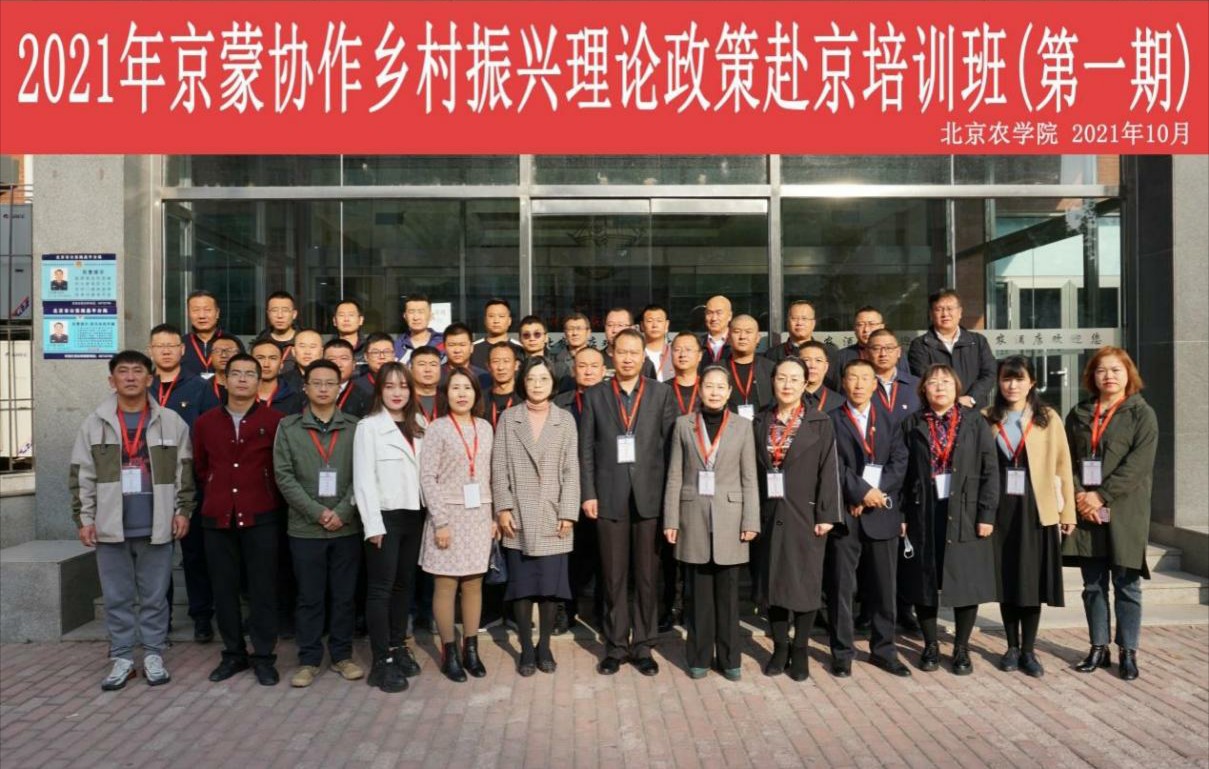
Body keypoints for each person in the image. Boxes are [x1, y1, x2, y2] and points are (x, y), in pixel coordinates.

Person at [69, 350, 194, 690]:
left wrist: (183, 511)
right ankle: (122, 657)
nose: (130, 377)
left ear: (149, 379)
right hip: (111, 526)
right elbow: (81, 475)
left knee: (155, 596)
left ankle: (153, 653)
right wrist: (85, 518)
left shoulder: (171, 422)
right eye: (122, 372)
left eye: (137, 371)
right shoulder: (94, 424)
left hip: (157, 524)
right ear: (111, 380)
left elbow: (185, 473)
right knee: (116, 597)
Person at [579, 328, 678, 676]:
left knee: (648, 577)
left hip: (650, 496)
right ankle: (616, 645)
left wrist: (670, 500)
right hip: (608, 495)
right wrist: (588, 492)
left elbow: (671, 450)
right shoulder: (595, 395)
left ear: (642, 356)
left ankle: (644, 646)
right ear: (611, 353)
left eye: (634, 353)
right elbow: (586, 449)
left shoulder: (661, 394)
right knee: (613, 576)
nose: (627, 359)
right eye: (621, 352)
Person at [1063, 346, 1158, 681]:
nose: (1109, 376)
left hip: (1125, 510)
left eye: (1116, 370)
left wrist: (1100, 496)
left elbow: (1138, 466)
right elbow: (1067, 458)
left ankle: (1128, 651)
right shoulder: (1079, 413)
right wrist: (1080, 494)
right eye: (1102, 370)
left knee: (1127, 584)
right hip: (1086, 511)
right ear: (1092, 376)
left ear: (1128, 374)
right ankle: (1098, 648)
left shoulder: (1141, 413)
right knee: (1092, 584)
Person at [192, 353, 285, 686]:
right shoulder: (205, 423)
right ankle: (233, 653)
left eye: (249, 374)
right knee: (224, 589)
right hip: (218, 517)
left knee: (263, 589)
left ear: (259, 381)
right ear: (224, 380)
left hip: (262, 515)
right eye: (236, 373)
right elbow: (201, 467)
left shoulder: (276, 420)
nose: (243, 379)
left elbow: (281, 467)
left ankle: (264, 656)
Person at [900, 364, 999, 675]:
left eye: (946, 381)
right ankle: (930, 644)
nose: (940, 387)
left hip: (966, 510)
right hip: (924, 509)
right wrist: (902, 514)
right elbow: (902, 472)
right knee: (924, 580)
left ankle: (961, 647)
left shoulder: (975, 421)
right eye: (933, 382)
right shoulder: (912, 423)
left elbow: (990, 469)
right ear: (923, 389)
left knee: (965, 580)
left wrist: (986, 513)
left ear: (957, 388)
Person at [663, 366, 760, 680]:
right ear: (700, 389)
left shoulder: (743, 427)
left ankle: (730, 659)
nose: (714, 392)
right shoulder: (683, 425)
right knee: (698, 597)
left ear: (729, 392)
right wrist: (671, 519)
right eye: (709, 386)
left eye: (721, 387)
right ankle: (699, 657)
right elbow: (675, 474)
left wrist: (751, 519)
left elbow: (749, 477)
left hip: (731, 517)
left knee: (728, 598)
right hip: (693, 516)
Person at [982, 356, 1076, 678]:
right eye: (1006, 379)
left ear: (1032, 382)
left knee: (1030, 580)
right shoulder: (986, 417)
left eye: (1019, 379)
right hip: (1000, 508)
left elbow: (1063, 464)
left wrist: (1067, 511)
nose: (1012, 385)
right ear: (998, 382)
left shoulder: (1047, 417)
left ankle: (1029, 650)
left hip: (1037, 507)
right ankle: (1011, 647)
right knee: (1007, 579)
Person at [273, 359, 364, 688]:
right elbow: (284, 476)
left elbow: (363, 475)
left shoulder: (356, 427)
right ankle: (309, 659)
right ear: (305, 388)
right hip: (305, 529)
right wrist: (317, 512)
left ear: (339, 388)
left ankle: (342, 656)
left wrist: (342, 512)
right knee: (309, 597)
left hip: (346, 526)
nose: (323, 389)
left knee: (344, 596)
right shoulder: (289, 427)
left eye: (330, 383)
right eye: (317, 383)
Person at [752, 357, 841, 681]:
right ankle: (780, 647)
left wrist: (827, 514)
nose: (787, 385)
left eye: (794, 379)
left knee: (805, 584)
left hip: (806, 514)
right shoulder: (759, 420)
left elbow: (829, 469)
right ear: (772, 381)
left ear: (805, 384)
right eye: (781, 378)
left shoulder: (819, 421)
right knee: (773, 584)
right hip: (769, 513)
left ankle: (800, 649)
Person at [492, 357, 581, 675]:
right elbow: (499, 465)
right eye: (531, 379)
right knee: (522, 586)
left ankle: (544, 646)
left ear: (553, 383)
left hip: (553, 514)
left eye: (544, 379)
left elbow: (571, 469)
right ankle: (526, 649)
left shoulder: (565, 419)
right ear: (523, 382)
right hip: (518, 514)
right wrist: (503, 507)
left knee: (549, 588)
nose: (537, 384)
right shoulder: (509, 418)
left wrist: (568, 512)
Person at [826, 359, 911, 678]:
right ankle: (842, 652)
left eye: (865, 378)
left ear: (876, 384)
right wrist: (860, 492)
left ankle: (884, 649)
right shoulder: (830, 420)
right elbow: (832, 464)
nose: (859, 384)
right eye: (853, 377)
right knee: (841, 587)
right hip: (846, 515)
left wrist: (874, 493)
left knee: (884, 587)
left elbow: (900, 463)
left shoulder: (891, 420)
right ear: (843, 383)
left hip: (882, 513)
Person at [418, 368, 497, 682]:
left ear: (476, 393)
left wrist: (493, 516)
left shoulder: (485, 428)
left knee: (474, 584)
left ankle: (471, 649)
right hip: (447, 516)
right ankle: (449, 651)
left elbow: (490, 474)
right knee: (446, 585)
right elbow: (428, 477)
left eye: (467, 388)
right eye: (455, 388)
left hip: (479, 515)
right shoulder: (437, 428)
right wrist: (440, 521)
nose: (462, 394)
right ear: (445, 394)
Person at [353, 362, 427, 692]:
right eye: (389, 386)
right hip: (384, 518)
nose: (397, 393)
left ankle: (398, 647)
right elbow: (363, 479)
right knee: (380, 590)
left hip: (414, 514)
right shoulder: (368, 427)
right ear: (379, 390)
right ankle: (381, 660)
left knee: (403, 587)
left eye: (403, 386)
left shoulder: (420, 423)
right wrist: (373, 525)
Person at [147, 323, 219, 642]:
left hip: (191, 480)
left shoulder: (199, 387)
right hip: (151, 483)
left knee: (195, 554)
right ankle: (160, 619)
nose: (165, 350)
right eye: (159, 345)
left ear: (182, 349)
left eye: (171, 345)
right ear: (151, 350)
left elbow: (210, 433)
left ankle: (202, 617)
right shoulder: (143, 386)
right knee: (156, 554)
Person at [863, 326, 921, 634]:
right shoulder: (861, 384)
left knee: (907, 544)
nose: (882, 353)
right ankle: (870, 609)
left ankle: (905, 607)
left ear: (899, 352)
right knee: (873, 547)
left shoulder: (915, 386)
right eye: (876, 348)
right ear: (866, 352)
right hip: (873, 476)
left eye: (888, 348)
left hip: (911, 474)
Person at [552, 346, 605, 634]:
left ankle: (601, 611)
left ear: (603, 370)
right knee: (568, 555)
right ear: (573, 370)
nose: (587, 371)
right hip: (567, 489)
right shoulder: (560, 404)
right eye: (582, 366)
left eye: (594, 366)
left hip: (603, 488)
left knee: (604, 555)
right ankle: (566, 611)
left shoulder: (612, 401)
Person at [907, 289, 998, 408]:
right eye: (939, 309)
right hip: (937, 411)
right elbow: (922, 378)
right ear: (931, 314)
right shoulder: (920, 345)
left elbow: (989, 373)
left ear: (960, 312)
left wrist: (971, 398)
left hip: (972, 410)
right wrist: (949, 403)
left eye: (950, 309)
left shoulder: (977, 342)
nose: (945, 314)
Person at [830, 306, 906, 390]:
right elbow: (836, 390)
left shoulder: (895, 353)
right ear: (854, 328)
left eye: (871, 324)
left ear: (882, 326)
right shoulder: (841, 357)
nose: (866, 329)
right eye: (860, 325)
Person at [726, 314, 775, 418]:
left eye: (748, 332)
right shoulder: (718, 370)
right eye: (737, 331)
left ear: (757, 338)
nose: (742, 337)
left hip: (763, 425)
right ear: (728, 337)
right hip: (727, 426)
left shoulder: (771, 369)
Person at [766, 300, 837, 363]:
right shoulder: (772, 355)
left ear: (813, 323)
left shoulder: (829, 353)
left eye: (804, 318)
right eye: (794, 318)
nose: (799, 323)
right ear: (787, 323)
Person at [181, 289, 227, 378]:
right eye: (195, 310)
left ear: (217, 313)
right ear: (188, 314)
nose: (202, 316)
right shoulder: (180, 344)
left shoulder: (232, 342)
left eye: (207, 310)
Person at [251, 338, 302, 414]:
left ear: (281, 364)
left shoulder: (294, 399)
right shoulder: (239, 395)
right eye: (260, 358)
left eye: (273, 358)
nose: (266, 364)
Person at [323, 339, 371, 418]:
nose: (338, 364)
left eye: (344, 358)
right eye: (332, 359)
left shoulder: (365, 397)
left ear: (353, 364)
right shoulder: (310, 392)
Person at [471, 298, 523, 369]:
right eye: (491, 316)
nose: (496, 321)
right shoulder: (472, 349)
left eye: (501, 316)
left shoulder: (520, 349)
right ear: (485, 320)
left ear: (509, 321)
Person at [395, 294, 445, 364]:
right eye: (411, 312)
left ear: (430, 316)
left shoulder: (443, 342)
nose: (416, 317)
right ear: (405, 316)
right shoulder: (397, 345)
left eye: (421, 312)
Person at [441, 322, 492, 390]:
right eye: (452, 345)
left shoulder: (483, 377)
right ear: (444, 347)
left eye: (462, 345)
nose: (457, 350)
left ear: (471, 347)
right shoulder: (436, 376)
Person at [252, 291, 299, 363]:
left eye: (285, 310)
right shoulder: (259, 343)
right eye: (274, 310)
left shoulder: (305, 341)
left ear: (294, 314)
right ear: (268, 314)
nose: (280, 315)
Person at [553, 313, 594, 392]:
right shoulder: (554, 362)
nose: (575, 333)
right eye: (570, 329)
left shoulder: (598, 359)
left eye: (579, 329)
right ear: (565, 333)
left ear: (588, 332)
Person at [486, 342, 522, 429]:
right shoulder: (480, 400)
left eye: (506, 361)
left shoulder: (525, 399)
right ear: (488, 366)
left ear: (516, 365)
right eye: (496, 361)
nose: (501, 367)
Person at [800, 341, 843, 414]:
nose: (812, 365)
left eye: (818, 360)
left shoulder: (839, 402)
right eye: (806, 360)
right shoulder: (785, 398)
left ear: (826, 367)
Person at [667, 332, 704, 416]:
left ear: (700, 355)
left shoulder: (708, 388)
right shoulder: (662, 391)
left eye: (688, 349)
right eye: (677, 350)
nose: (682, 354)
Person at [640, 304, 675, 382]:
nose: (654, 325)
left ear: (667, 325)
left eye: (659, 321)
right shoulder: (636, 354)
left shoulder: (675, 353)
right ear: (642, 325)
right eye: (649, 321)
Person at [282, 328, 325, 393]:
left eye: (312, 347)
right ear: (293, 351)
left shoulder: (331, 380)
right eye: (302, 346)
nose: (307, 352)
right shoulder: (282, 382)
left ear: (322, 352)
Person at [410, 345, 445, 422]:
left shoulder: (448, 398)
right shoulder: (403, 398)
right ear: (411, 369)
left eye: (433, 364)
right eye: (422, 364)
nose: (428, 370)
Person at [207, 336, 245, 404]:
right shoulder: (203, 387)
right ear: (210, 357)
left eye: (230, 350)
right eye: (217, 351)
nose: (224, 355)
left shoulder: (249, 386)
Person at [331, 298, 368, 365]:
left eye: (351, 315)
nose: (346, 319)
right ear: (334, 321)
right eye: (341, 315)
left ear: (361, 320)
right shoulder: (328, 350)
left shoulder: (369, 348)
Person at [700, 295, 733, 366]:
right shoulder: (697, 344)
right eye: (709, 313)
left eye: (719, 313)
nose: (714, 318)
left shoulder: (736, 343)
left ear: (729, 316)